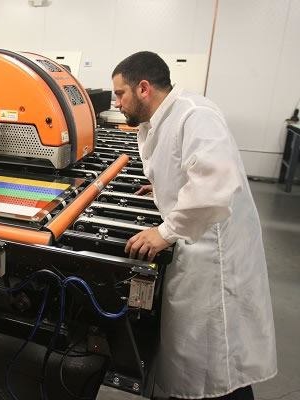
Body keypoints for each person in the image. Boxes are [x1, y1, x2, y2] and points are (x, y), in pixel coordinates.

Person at [111, 51, 277, 399]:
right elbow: (187, 164)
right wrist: (166, 185)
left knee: (216, 352)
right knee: (198, 350)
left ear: (143, 88)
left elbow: (214, 185)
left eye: (120, 94)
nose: (116, 103)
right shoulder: (164, 117)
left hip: (213, 254)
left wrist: (164, 232)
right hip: (195, 242)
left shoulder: (194, 114)